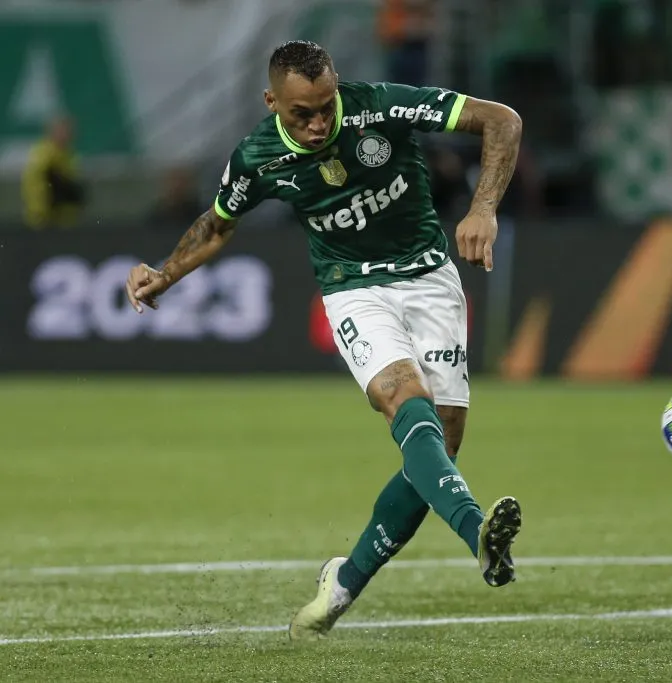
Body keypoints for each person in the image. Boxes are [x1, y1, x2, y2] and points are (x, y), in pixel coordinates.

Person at [122, 40, 524, 640]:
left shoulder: (381, 107)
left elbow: (502, 120)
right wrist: (165, 271)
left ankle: (344, 581)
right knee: (403, 400)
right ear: (271, 102)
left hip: (430, 279)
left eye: (325, 106)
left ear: (337, 87)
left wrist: (484, 207)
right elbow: (216, 224)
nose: (316, 124)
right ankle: (477, 536)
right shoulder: (258, 157)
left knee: (440, 445)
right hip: (352, 290)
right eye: (299, 114)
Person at [21, 115, 86, 229]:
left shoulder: (68, 155)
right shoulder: (43, 153)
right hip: (44, 219)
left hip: (64, 219)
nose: (65, 134)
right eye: (61, 130)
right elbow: (38, 184)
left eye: (67, 130)